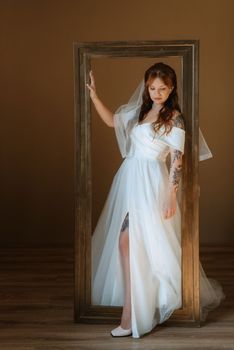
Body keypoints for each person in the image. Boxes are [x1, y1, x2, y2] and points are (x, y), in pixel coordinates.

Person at [86, 62, 225, 339]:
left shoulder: (173, 117)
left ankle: (133, 314)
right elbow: (113, 121)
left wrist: (170, 194)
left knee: (142, 243)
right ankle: (134, 307)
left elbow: (177, 160)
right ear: (146, 88)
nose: (156, 93)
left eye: (162, 88)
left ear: (171, 88)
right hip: (128, 179)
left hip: (151, 181)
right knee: (126, 243)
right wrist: (94, 97)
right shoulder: (141, 111)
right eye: (152, 88)